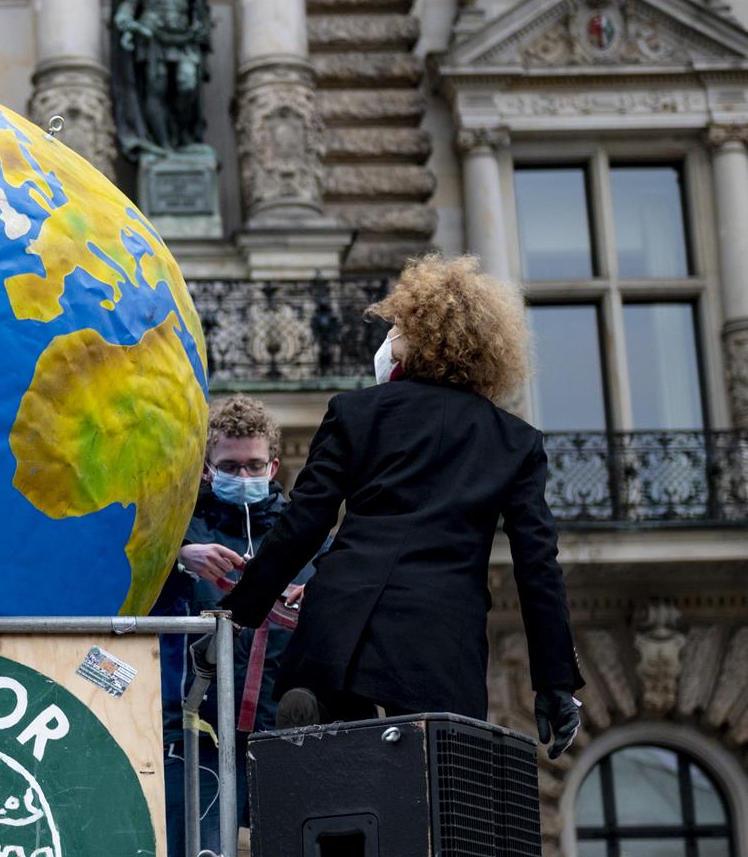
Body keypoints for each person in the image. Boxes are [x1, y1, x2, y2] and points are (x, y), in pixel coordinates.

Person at [224, 254, 585, 758]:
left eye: (394, 327)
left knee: (329, 798)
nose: (386, 339)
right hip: (438, 638)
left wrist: (237, 613)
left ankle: (326, 723)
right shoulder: (514, 442)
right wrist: (554, 681)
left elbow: (304, 522)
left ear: (415, 338)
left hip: (340, 621)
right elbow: (537, 566)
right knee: (426, 797)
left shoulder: (355, 413)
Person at [152, 395, 324, 857]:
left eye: (253, 464)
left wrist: (318, 599)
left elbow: (345, 603)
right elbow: (122, 584)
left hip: (286, 738)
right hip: (196, 737)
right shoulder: (179, 532)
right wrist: (177, 558)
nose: (242, 474)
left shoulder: (307, 539)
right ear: (206, 469)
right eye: (229, 465)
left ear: (274, 466)